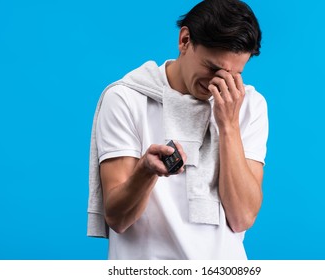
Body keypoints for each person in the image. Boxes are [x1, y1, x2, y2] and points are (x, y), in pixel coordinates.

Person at [87, 0, 268, 260]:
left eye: (234, 74)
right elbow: (117, 218)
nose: (219, 83)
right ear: (184, 40)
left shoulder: (249, 105)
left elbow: (242, 218)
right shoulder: (126, 98)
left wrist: (228, 125)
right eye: (213, 68)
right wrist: (145, 172)